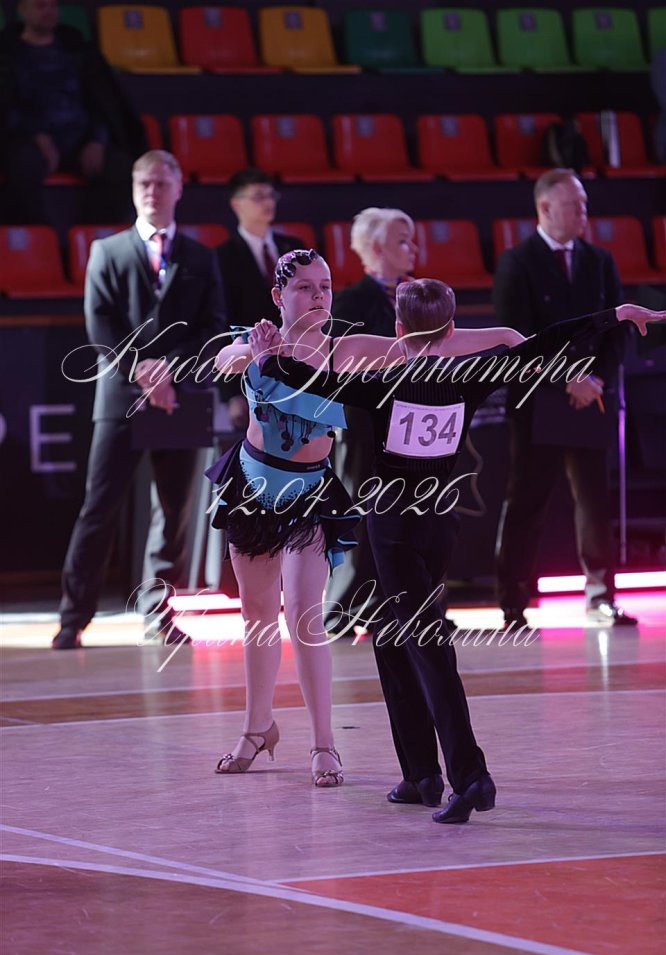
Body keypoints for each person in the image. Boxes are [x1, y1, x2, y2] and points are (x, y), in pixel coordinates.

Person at [250, 281, 664, 822]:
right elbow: (545, 341)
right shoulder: (470, 377)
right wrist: (614, 314)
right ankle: (420, 773)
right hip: (439, 526)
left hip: (393, 530)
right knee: (390, 641)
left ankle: (471, 778)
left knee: (428, 649)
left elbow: (307, 380)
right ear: (451, 331)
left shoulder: (379, 382)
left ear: (398, 331)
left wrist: (266, 359)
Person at [210, 251, 519, 787]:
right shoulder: (257, 341)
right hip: (252, 487)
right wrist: (250, 351)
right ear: (279, 296)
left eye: (326, 286)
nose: (318, 296)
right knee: (256, 615)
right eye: (305, 287)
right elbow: (223, 359)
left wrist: (510, 337)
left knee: (305, 615)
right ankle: (257, 728)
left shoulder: (346, 350)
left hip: (309, 494)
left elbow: (433, 341)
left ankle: (323, 743)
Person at [52, 150, 226, 650]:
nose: (152, 191)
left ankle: (160, 615)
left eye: (161, 183)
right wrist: (142, 372)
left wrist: (169, 369)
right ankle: (73, 618)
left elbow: (214, 327)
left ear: (179, 187)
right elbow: (100, 327)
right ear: (133, 189)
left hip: (181, 396)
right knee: (99, 506)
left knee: (174, 513)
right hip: (121, 397)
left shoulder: (201, 256)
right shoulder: (106, 252)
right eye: (144, 183)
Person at [493, 168, 636, 628]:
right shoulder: (517, 261)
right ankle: (513, 601)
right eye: (574, 205)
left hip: (592, 397)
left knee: (596, 501)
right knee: (527, 501)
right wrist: (566, 379)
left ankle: (600, 595)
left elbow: (618, 329)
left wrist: (597, 380)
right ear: (545, 208)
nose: (583, 213)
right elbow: (516, 337)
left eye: (584, 204)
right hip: (540, 399)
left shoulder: (599, 260)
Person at [324, 208, 418, 633]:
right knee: (359, 512)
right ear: (377, 248)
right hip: (364, 425)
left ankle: (404, 606)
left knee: (412, 515)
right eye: (402, 240)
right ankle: (342, 609)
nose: (412, 248)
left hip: (410, 422)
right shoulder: (351, 301)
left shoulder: (418, 296)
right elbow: (341, 366)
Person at [0, 0, 145, 224]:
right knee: (23, 168)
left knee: (122, 168)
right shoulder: (8, 54)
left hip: (80, 140)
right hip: (28, 140)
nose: (49, 12)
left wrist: (97, 140)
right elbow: (8, 108)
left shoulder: (79, 51)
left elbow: (103, 104)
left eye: (52, 6)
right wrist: (37, 136)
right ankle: (38, 237)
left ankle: (93, 234)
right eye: (41, 6)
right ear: (23, 11)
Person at [216, 169, 304, 431]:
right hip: (249, 372)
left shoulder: (294, 248)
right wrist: (231, 392)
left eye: (270, 195)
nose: (267, 202)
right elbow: (221, 323)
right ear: (236, 204)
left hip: (297, 366)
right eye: (258, 196)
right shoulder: (221, 257)